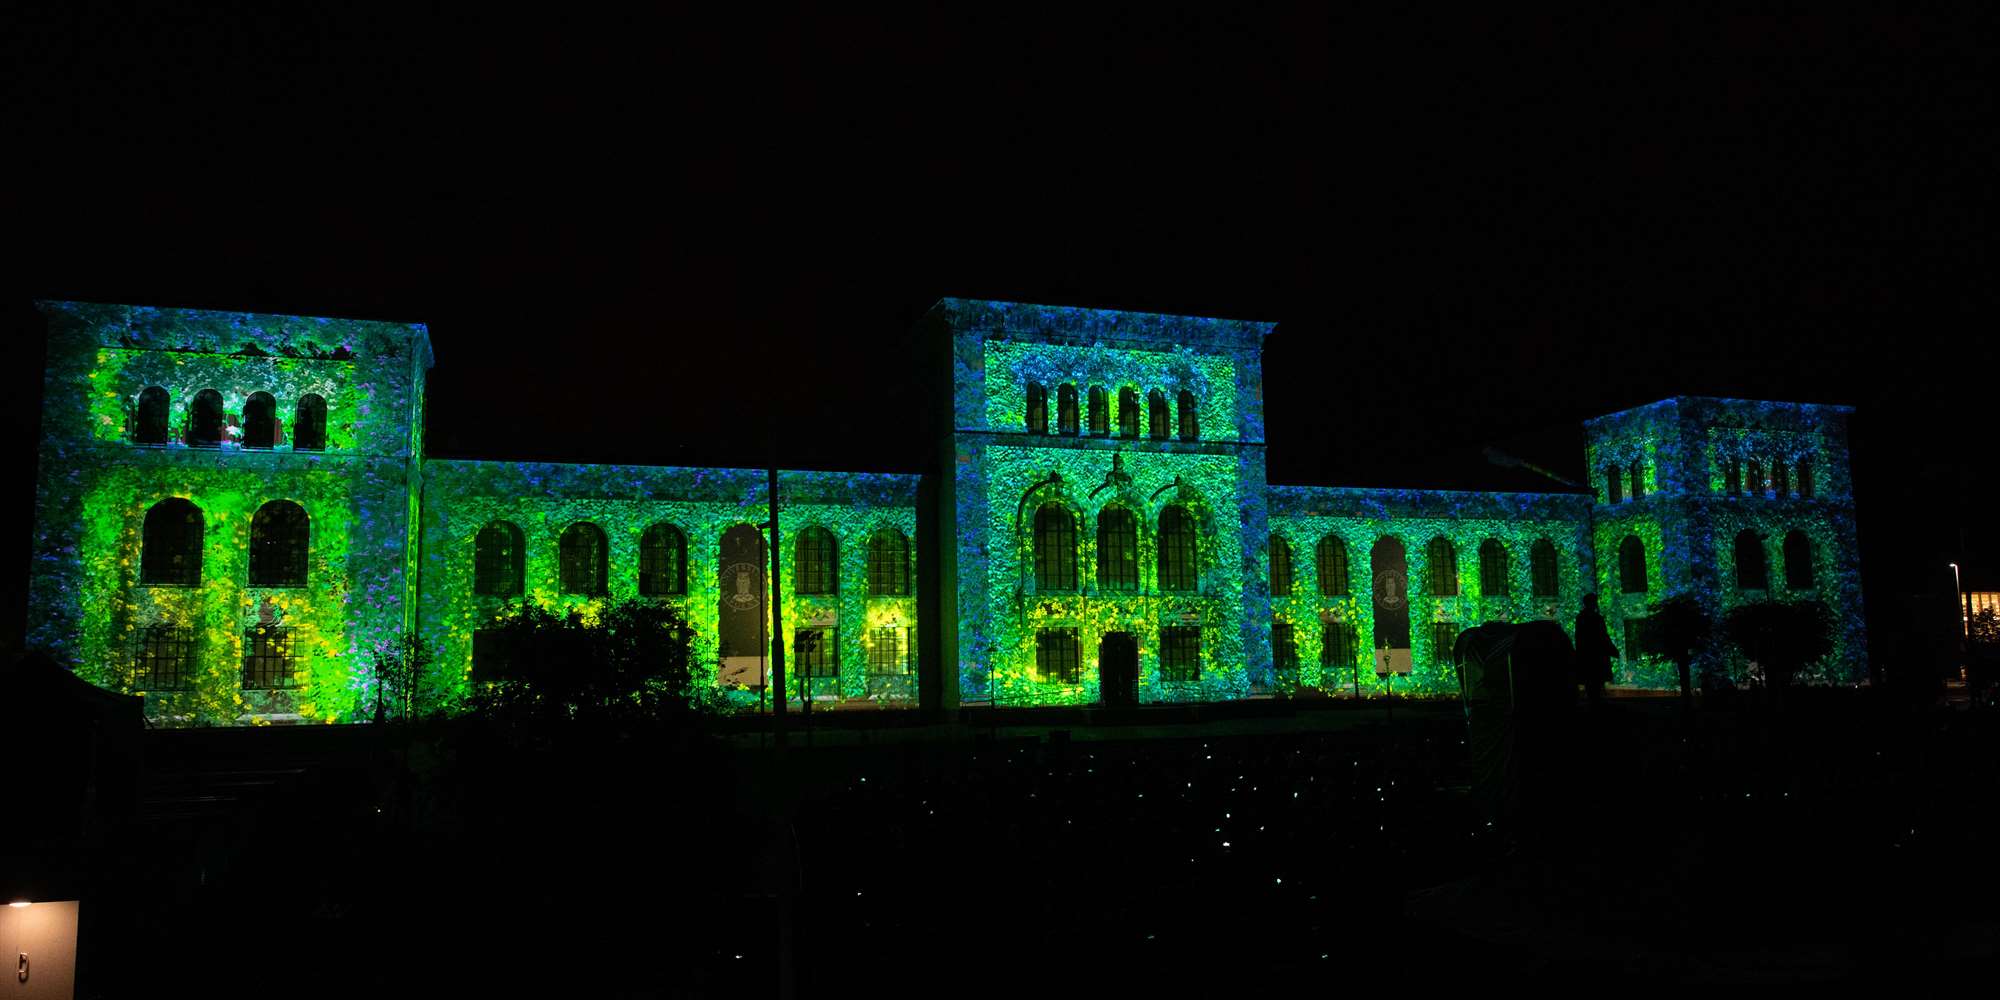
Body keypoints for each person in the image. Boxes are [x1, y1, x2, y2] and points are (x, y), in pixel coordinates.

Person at [1574, 594, 1618, 708]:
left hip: (1589, 656)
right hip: (1596, 656)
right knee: (1596, 682)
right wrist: (1611, 649)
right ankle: (1596, 704)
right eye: (1594, 601)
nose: (1595, 604)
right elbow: (1603, 636)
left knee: (1592, 683)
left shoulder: (1583, 618)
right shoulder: (1595, 618)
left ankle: (1594, 703)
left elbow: (1579, 639)